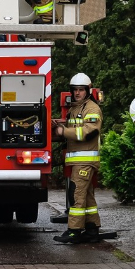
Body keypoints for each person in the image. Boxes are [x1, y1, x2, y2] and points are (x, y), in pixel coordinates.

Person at [54, 73, 103, 244]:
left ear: (88, 90)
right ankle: (92, 230)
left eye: (81, 90)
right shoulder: (75, 109)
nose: (77, 93)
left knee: (76, 195)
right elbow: (72, 128)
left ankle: (74, 231)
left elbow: (89, 131)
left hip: (85, 161)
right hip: (79, 161)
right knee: (87, 198)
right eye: (75, 90)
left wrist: (64, 131)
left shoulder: (92, 109)